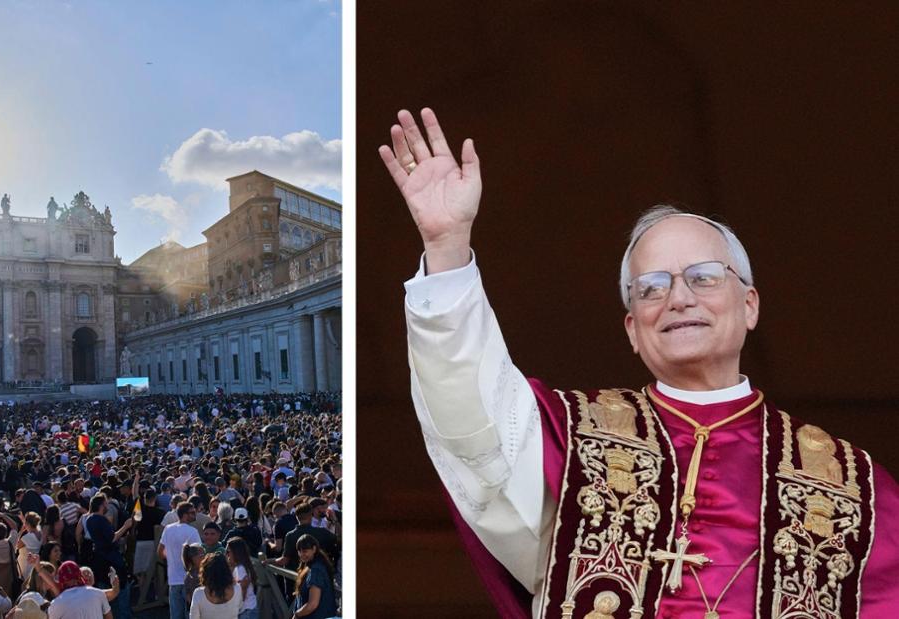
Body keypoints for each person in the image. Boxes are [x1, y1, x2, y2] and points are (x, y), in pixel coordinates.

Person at [380, 108, 899, 616]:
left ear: (749, 305)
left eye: (704, 277)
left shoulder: (853, 486)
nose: (679, 298)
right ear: (632, 327)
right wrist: (447, 248)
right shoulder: (570, 438)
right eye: (650, 287)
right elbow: (474, 421)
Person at [157, 502, 200, 619]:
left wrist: (172, 558)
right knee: (191, 615)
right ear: (185, 515)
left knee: (176, 615)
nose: (195, 514)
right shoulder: (192, 531)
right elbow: (198, 556)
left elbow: (160, 552)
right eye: (192, 512)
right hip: (190, 580)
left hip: (173, 579)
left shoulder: (168, 529)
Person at [289, 535, 336, 619]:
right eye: (299, 551)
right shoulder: (317, 564)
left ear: (314, 549)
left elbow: (312, 604)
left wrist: (296, 615)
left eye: (305, 551)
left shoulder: (316, 570)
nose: (301, 554)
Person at [45, 561, 112, 619]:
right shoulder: (98, 593)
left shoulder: (56, 604)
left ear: (61, 578)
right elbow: (109, 617)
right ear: (79, 574)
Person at [187, 553, 241, 619]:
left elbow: (193, 617)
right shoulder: (237, 589)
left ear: (205, 572)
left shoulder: (199, 594)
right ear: (227, 570)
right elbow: (240, 609)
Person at [225, 539, 257, 619]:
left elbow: (242, 593)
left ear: (236, 553)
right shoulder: (243, 566)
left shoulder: (240, 569)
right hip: (249, 608)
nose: (227, 554)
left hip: (246, 611)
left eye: (228, 552)